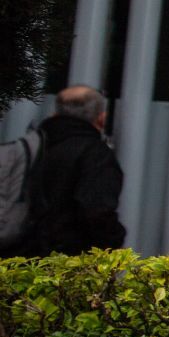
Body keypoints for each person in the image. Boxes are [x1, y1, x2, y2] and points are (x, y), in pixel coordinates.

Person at [16, 86, 126, 256]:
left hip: (13, 257)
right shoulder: (95, 154)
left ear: (54, 114)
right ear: (101, 119)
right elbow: (97, 210)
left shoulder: (28, 147)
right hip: (65, 260)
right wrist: (113, 241)